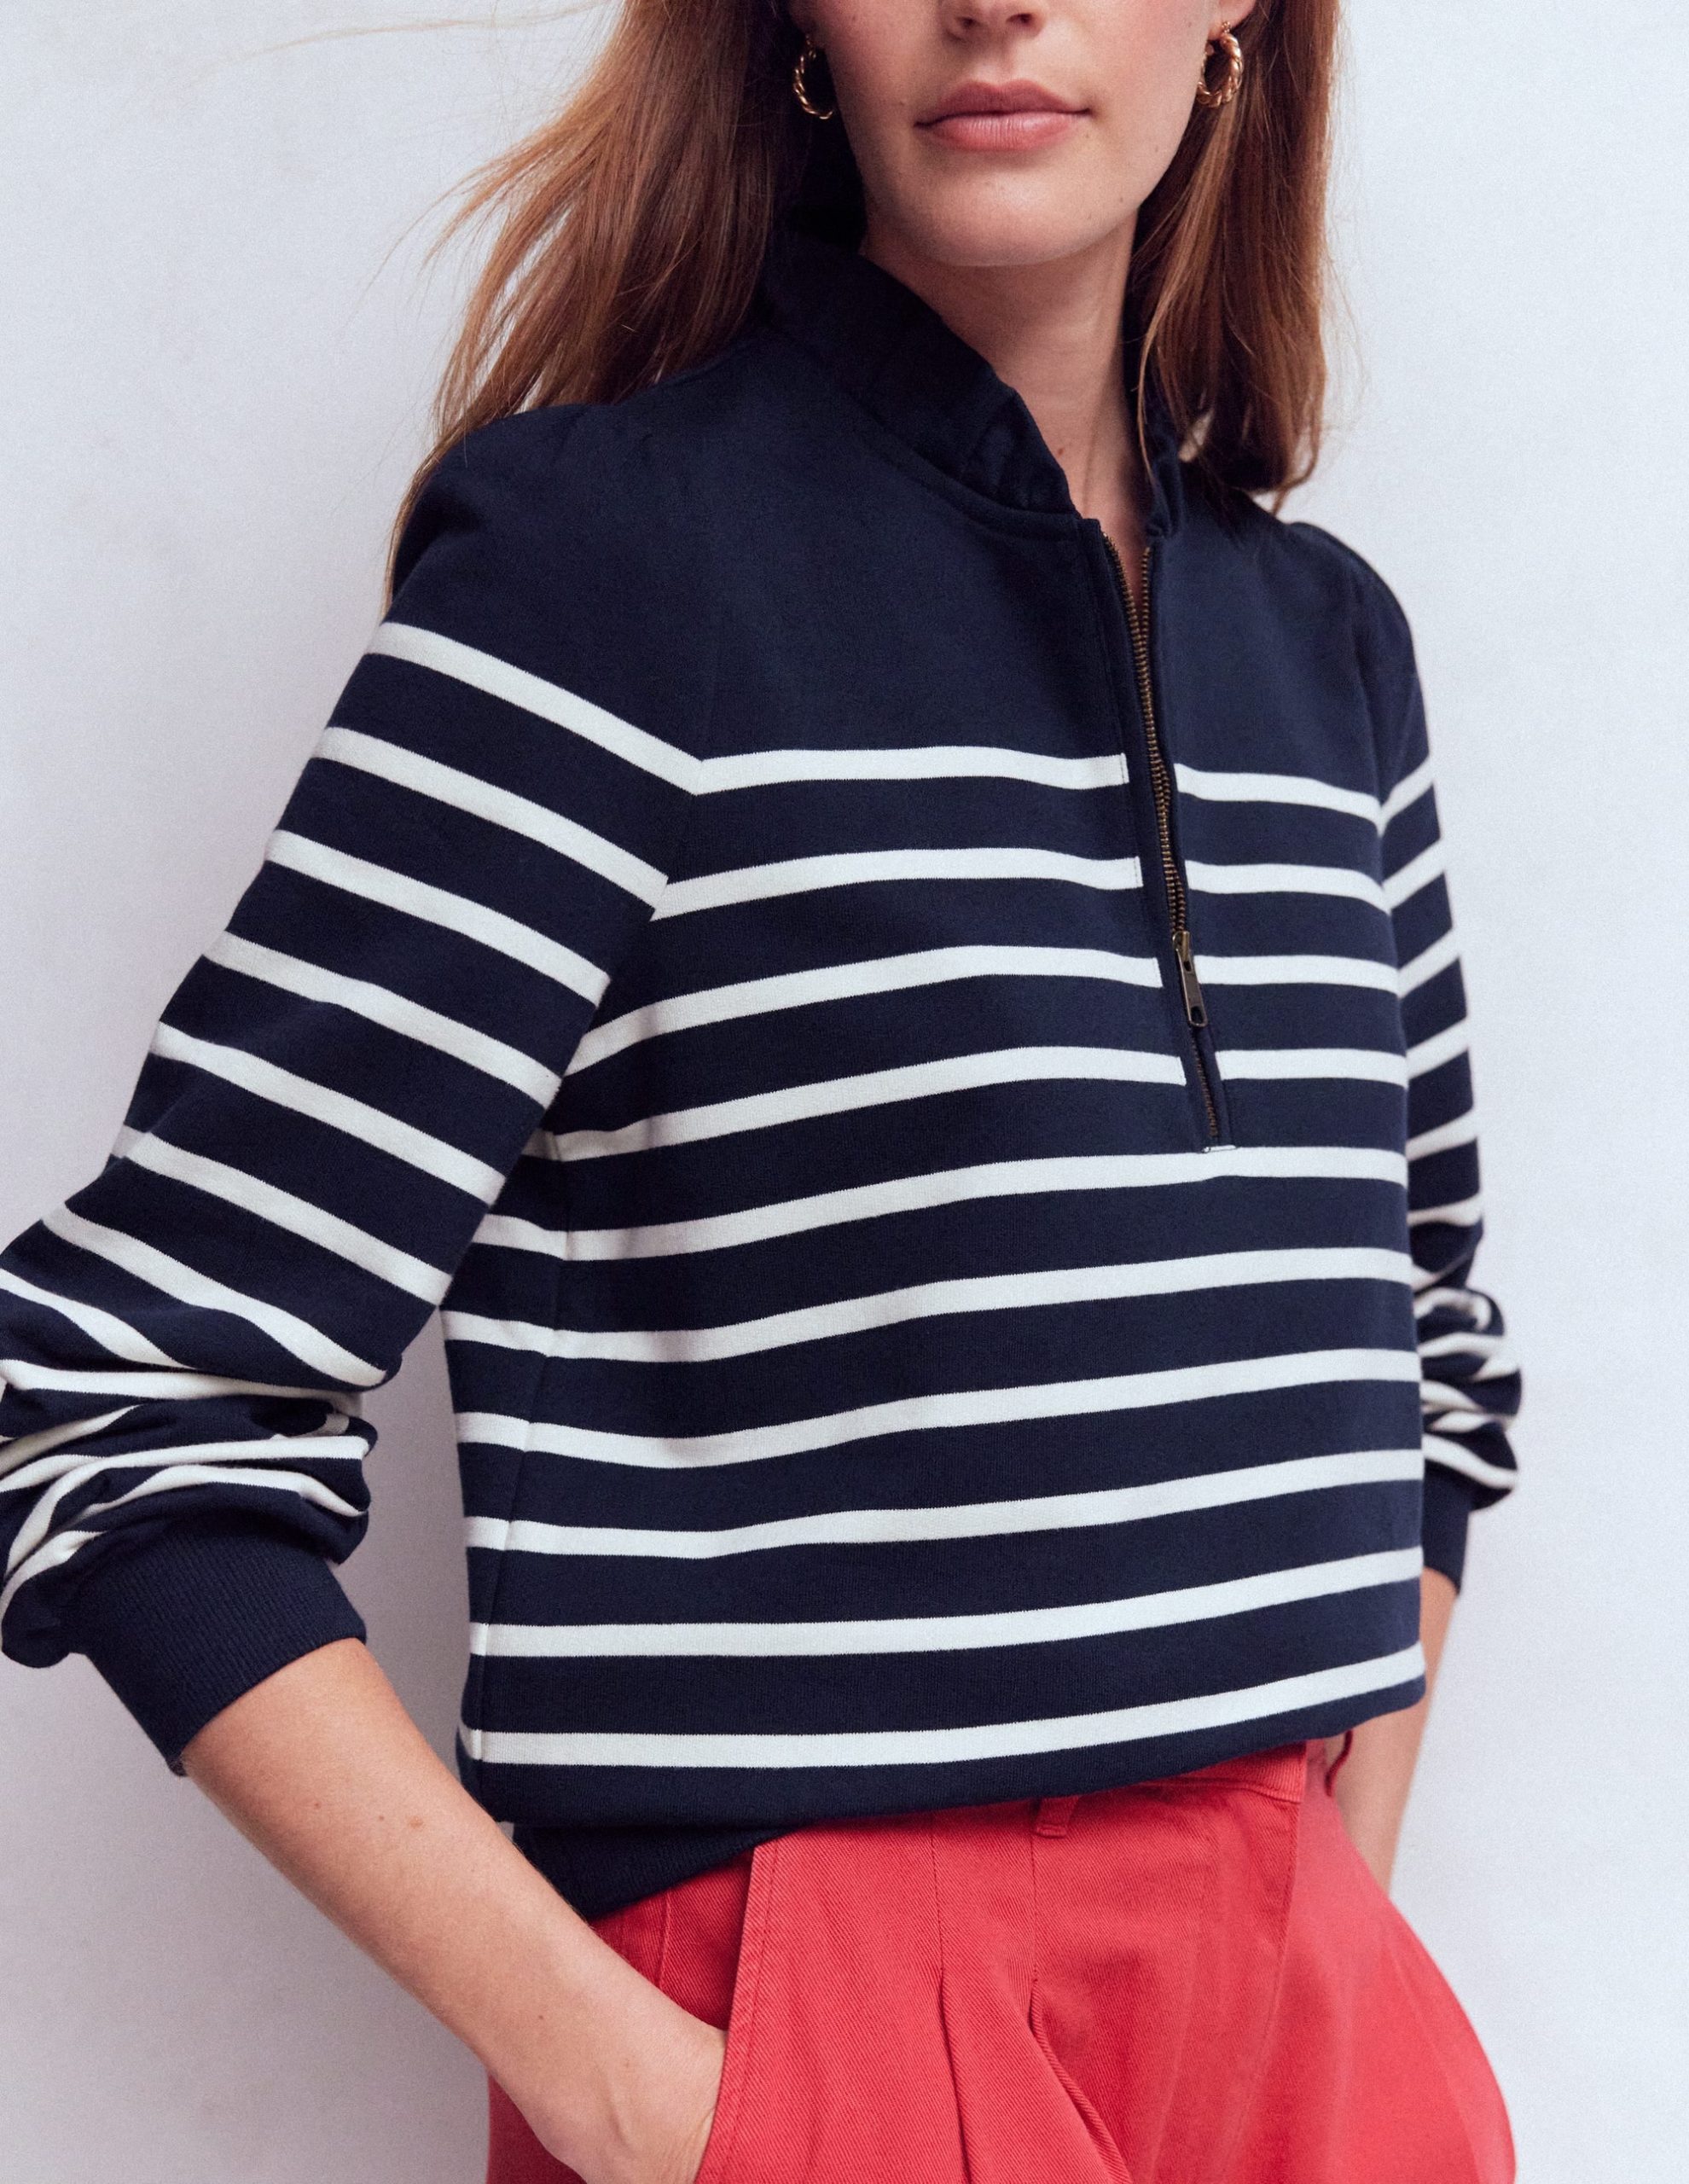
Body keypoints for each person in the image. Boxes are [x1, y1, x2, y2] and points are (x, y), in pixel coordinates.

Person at [0, 2, 1524, 2178]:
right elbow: (121, 1388)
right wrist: (656, 2103)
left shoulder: (1328, 648)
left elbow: (1427, 1340)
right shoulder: (616, 568)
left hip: (1309, 2035)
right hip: (820, 2026)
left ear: (1241, 21)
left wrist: (1328, 1911)